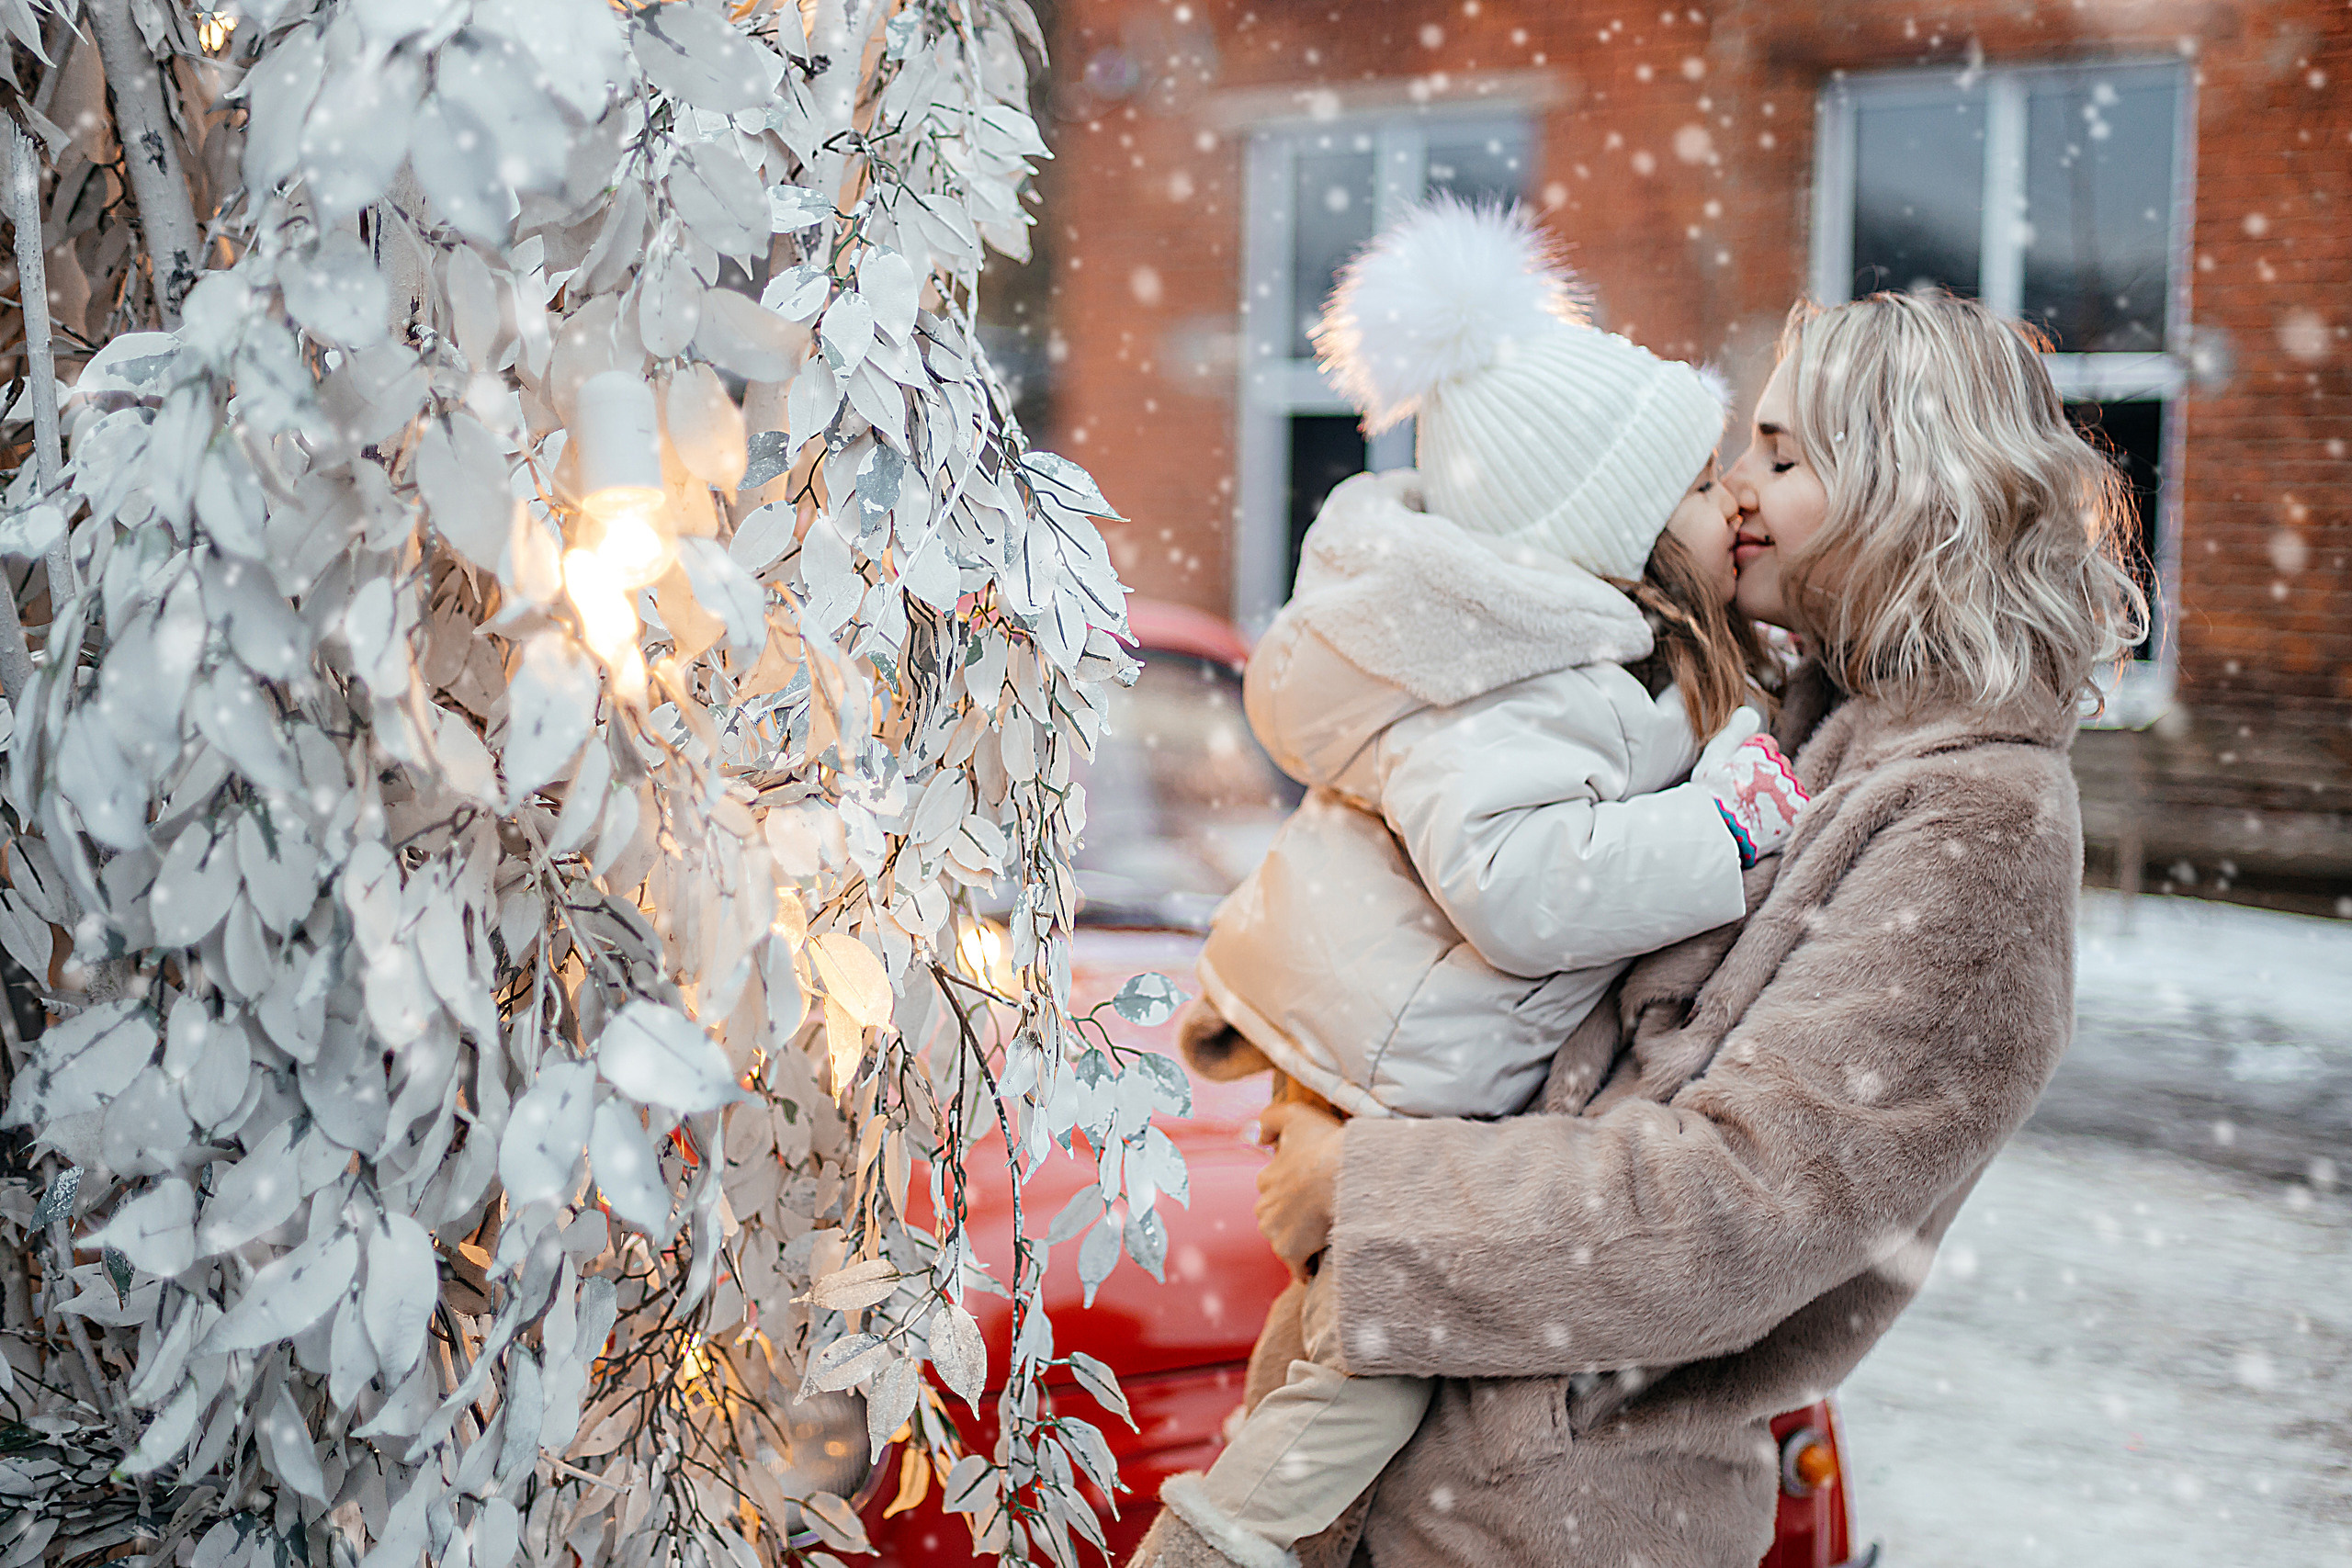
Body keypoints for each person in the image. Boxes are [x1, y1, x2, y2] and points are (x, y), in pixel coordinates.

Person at [1134, 289, 2148, 1568]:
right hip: (1404, 1460)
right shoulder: (1771, 710)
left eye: (1783, 457)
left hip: (1559, 1516)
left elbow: (1745, 1207)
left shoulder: (1977, 824)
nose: (1737, 486)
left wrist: (1375, 1193)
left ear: (1908, 490)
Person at [1139, 198, 1808, 1568]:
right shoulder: (1513, 692)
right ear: (1604, 538)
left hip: (1393, 1059)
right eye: (1694, 487)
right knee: (1359, 1378)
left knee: (1322, 1355)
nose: (1732, 496)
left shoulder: (1578, 663)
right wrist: (1716, 837)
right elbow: (1515, 884)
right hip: (1382, 1069)